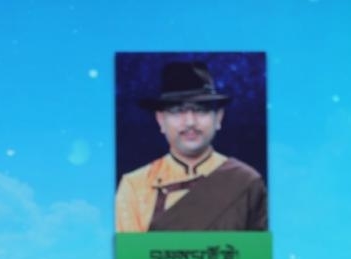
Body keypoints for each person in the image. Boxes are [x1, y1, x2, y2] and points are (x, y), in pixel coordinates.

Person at [115, 61, 268, 233]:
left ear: (218, 118)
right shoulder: (135, 186)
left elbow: (259, 250)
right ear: (161, 120)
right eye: (177, 110)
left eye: (201, 110)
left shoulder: (247, 182)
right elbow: (129, 251)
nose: (190, 122)